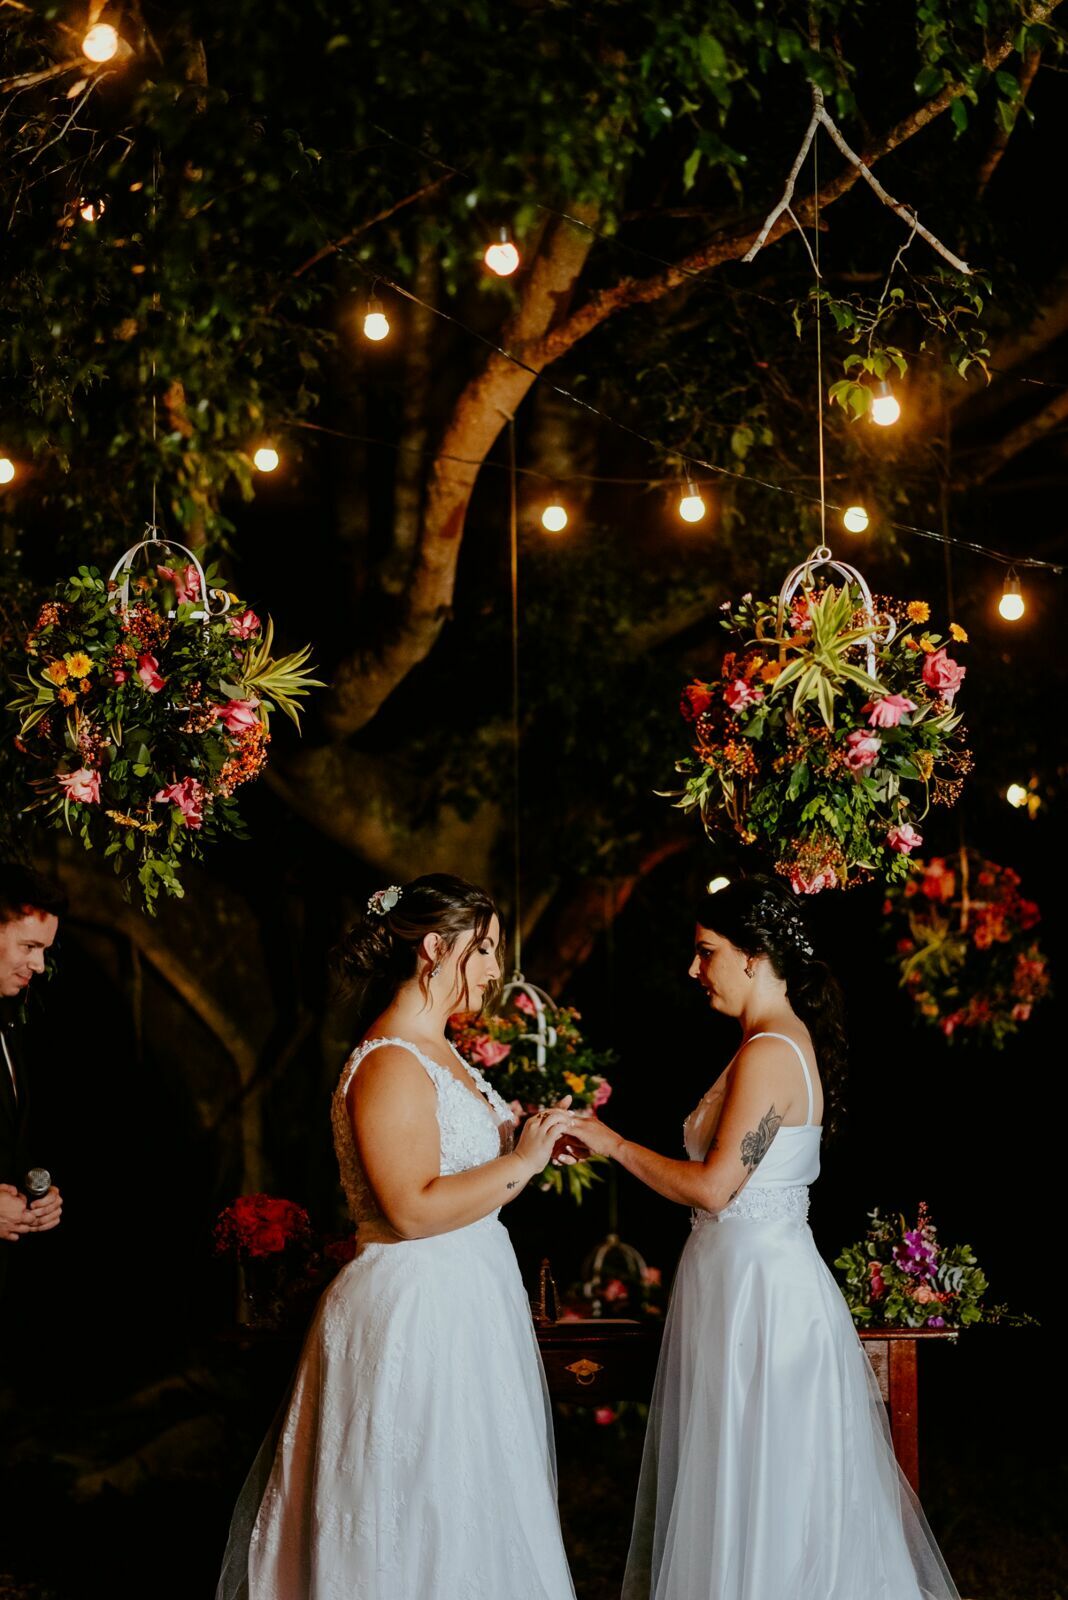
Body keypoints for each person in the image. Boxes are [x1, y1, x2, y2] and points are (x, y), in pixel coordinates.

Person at [575, 877, 959, 1600]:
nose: (695, 970)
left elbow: (716, 1188)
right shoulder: (766, 1043)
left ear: (754, 957)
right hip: (739, 1281)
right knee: (741, 1481)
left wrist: (613, 1145)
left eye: (707, 952)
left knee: (763, 1486)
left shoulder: (771, 1053)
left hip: (760, 1294)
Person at [217, 873, 577, 1600]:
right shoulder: (389, 1061)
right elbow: (411, 1209)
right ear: (435, 949)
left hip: (468, 1304)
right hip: (414, 1310)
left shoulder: (446, 1054)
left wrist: (533, 1143)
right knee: (411, 1508)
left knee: (474, 1509)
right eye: (485, 951)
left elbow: (469, 1178)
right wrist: (519, 1162)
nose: (495, 970)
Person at [0, 863, 65, 1295]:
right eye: (29, 946)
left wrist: (39, 1195)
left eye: (44, 950)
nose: (39, 965)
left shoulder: (8, 1027)